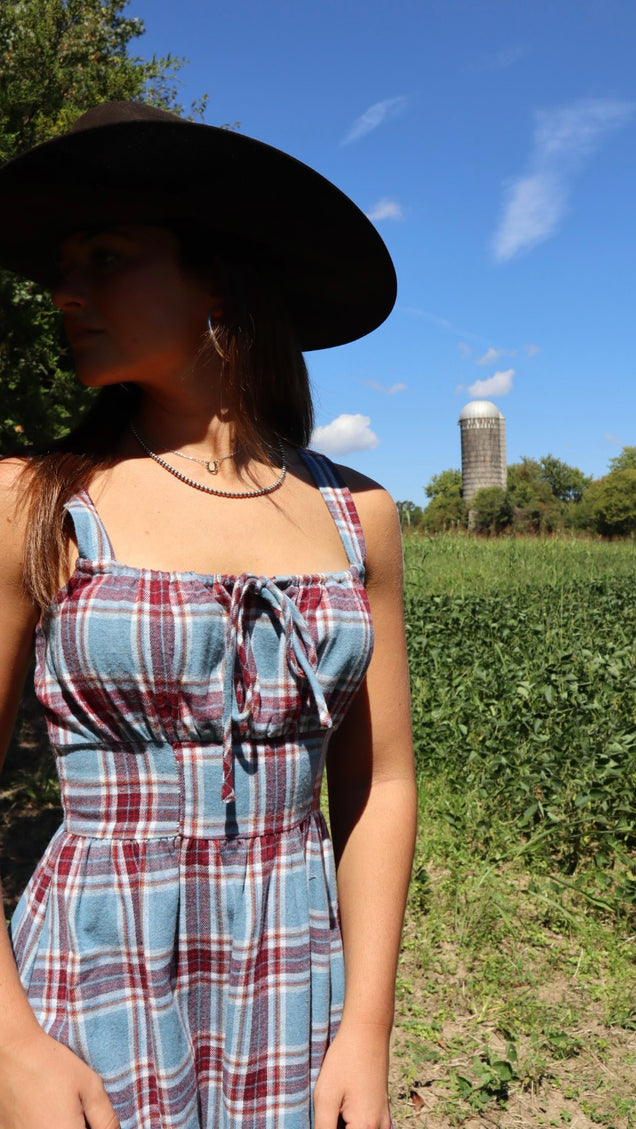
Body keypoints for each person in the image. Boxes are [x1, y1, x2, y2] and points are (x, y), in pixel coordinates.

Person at [0, 102, 416, 1129]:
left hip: (296, 984)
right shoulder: (35, 502)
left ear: (219, 281)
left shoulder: (358, 518)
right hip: (86, 994)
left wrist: (367, 1031)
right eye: (63, 262)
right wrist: (14, 1050)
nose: (65, 290)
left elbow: (383, 778)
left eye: (106, 256)